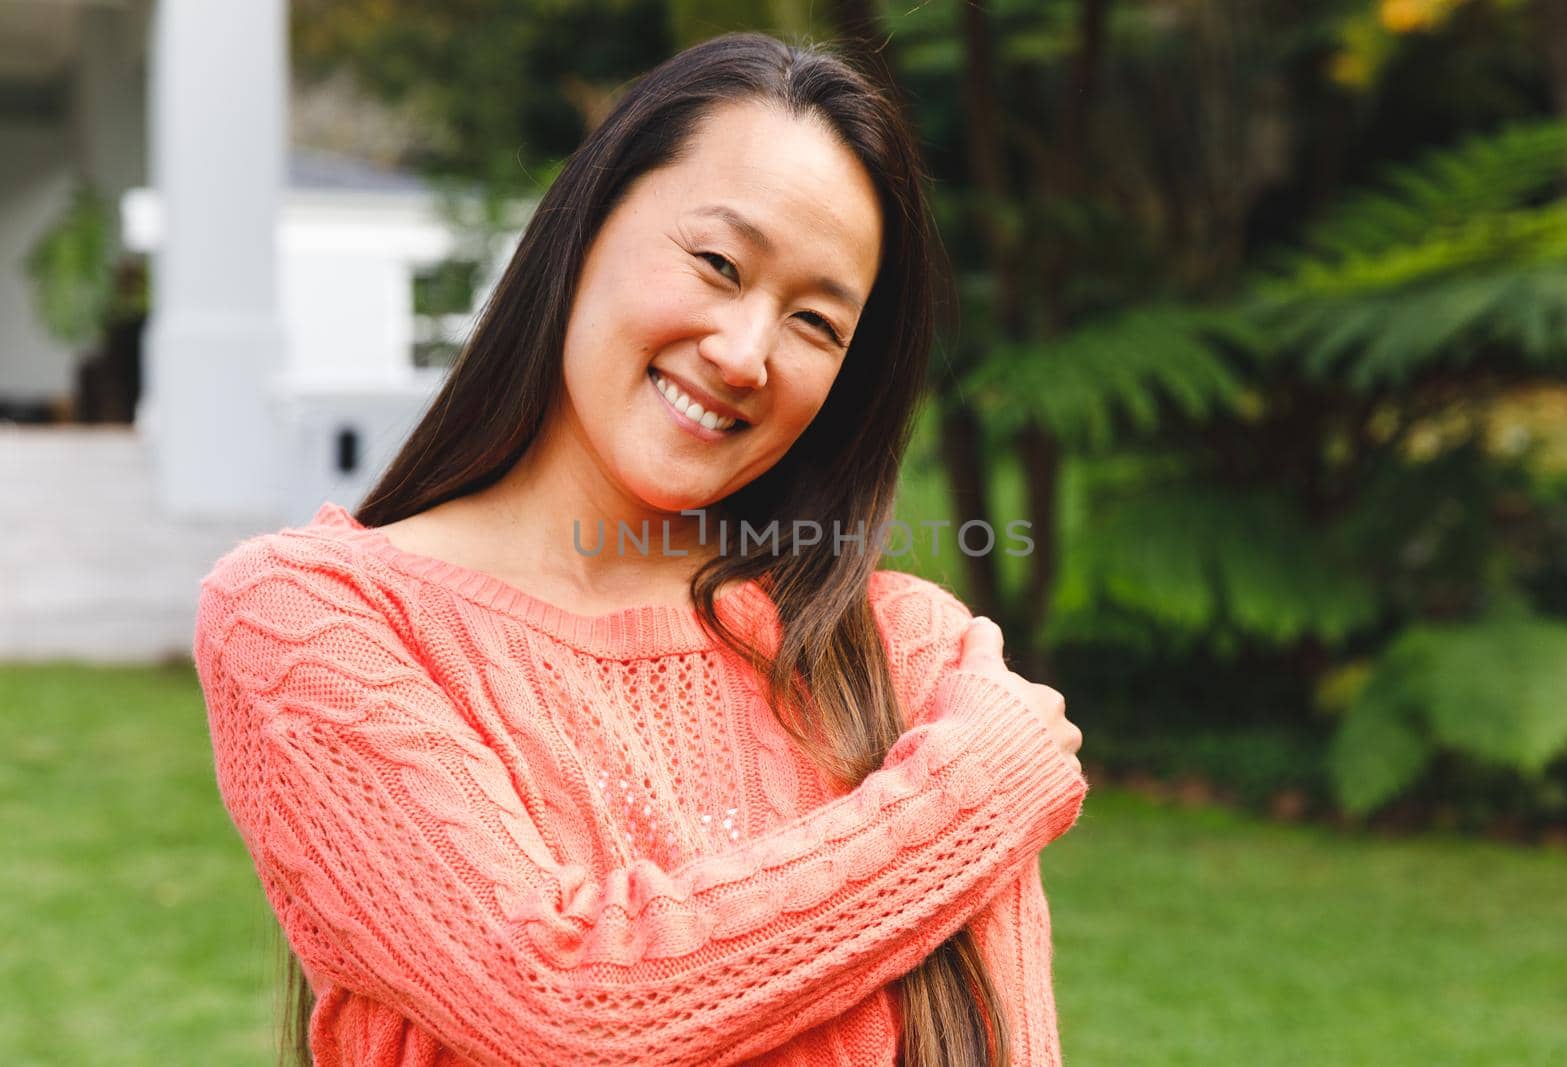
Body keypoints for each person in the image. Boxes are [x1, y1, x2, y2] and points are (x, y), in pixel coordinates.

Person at [192, 30, 1087, 1067]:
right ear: (586, 224)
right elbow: (565, 1007)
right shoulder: (314, 618)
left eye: (814, 322)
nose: (745, 352)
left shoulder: (905, 655)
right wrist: (967, 800)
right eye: (717, 264)